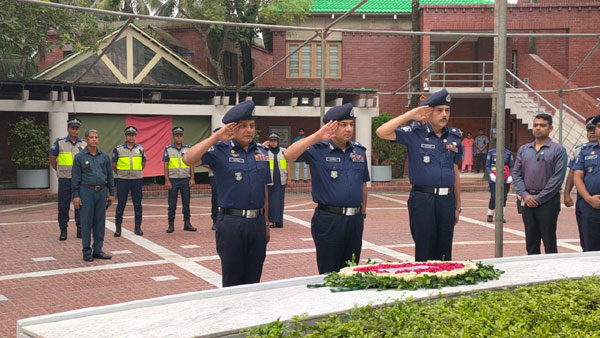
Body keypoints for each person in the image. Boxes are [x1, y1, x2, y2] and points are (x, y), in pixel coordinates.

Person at [182, 100, 271, 287]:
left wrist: (266, 223)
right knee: (232, 279)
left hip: (257, 223)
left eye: (252, 126)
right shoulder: (220, 150)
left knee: (254, 279)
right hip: (232, 223)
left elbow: (264, 188)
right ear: (232, 129)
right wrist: (216, 137)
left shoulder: (262, 152)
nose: (249, 130)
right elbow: (188, 159)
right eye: (243, 126)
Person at [376, 88, 462, 262]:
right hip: (423, 199)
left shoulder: (455, 136)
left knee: (445, 250)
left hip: (447, 200)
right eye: (439, 111)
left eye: (447, 110)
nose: (444, 114)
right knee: (425, 249)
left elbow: (455, 171)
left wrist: (457, 205)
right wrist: (411, 114)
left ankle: (443, 285)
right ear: (428, 113)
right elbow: (381, 132)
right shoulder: (415, 133)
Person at [285, 103, 369, 274]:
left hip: (354, 220)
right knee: (329, 272)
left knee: (351, 271)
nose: (349, 129)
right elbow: (289, 155)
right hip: (329, 219)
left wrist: (362, 214)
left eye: (351, 124)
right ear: (331, 127)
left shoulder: (358, 151)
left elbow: (363, 183)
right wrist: (317, 136)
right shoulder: (318, 150)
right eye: (343, 125)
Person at [512, 113, 567, 255]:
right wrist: (525, 195)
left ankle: (552, 273)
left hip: (548, 202)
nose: (538, 128)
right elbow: (516, 174)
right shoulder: (524, 150)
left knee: (549, 240)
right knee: (531, 241)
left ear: (550, 128)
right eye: (535, 125)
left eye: (542, 125)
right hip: (527, 201)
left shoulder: (558, 150)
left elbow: (557, 178)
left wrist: (539, 198)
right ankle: (533, 271)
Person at [71, 129, 115, 262]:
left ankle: (98, 250)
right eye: (91, 137)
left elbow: (110, 176)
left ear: (99, 139)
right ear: (86, 139)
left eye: (96, 137)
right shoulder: (80, 157)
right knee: (86, 222)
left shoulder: (104, 156)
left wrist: (111, 193)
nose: (94, 140)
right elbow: (75, 178)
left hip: (101, 192)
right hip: (86, 191)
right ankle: (86, 251)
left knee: (100, 222)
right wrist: (76, 195)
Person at [49, 117, 86, 241]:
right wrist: (59, 170)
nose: (74, 131)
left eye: (77, 128)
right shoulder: (59, 143)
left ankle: (80, 229)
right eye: (72, 128)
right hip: (65, 179)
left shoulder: (84, 144)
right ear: (68, 129)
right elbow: (52, 159)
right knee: (63, 206)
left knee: (79, 205)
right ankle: (63, 229)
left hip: (80, 180)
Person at [564, 116, 596, 251]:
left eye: (595, 129)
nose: (593, 132)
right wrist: (566, 194)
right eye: (589, 130)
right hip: (585, 201)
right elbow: (572, 174)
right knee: (586, 237)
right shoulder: (580, 149)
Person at [573, 114, 600, 252]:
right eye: (599, 126)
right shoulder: (585, 151)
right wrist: (589, 199)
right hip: (590, 206)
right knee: (590, 248)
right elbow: (577, 177)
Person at [112, 126, 146, 237]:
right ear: (126, 136)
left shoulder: (140, 148)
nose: (131, 137)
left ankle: (138, 228)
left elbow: (143, 163)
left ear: (135, 136)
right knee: (121, 204)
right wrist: (121, 173)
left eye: (133, 135)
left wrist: (136, 172)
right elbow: (114, 165)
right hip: (123, 180)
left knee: (138, 205)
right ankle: (118, 229)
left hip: (137, 180)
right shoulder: (118, 149)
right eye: (129, 135)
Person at [163, 126, 196, 233]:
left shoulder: (188, 148)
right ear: (173, 137)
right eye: (177, 136)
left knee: (186, 203)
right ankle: (171, 225)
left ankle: (187, 223)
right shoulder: (168, 149)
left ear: (183, 137)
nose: (179, 138)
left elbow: (191, 164)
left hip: (185, 179)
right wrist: (167, 180)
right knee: (172, 204)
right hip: (173, 180)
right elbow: (165, 165)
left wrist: (192, 178)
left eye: (180, 136)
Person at [485, 146, 515, 222]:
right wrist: (490, 174)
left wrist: (511, 176)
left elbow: (511, 166)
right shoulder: (491, 152)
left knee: (504, 196)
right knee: (494, 196)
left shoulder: (508, 153)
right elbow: (487, 166)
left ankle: (501, 216)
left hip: (505, 177)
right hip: (494, 177)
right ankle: (490, 214)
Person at [265, 133, 287, 228]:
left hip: (280, 179)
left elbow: (286, 164)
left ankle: (278, 221)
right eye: (271, 141)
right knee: (269, 201)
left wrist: (289, 178)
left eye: (275, 141)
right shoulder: (265, 151)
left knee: (279, 201)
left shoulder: (283, 151)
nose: (273, 143)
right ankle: (270, 220)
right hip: (269, 179)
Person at [207, 127, 221, 231]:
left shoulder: (228, 147)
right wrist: (215, 166)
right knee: (215, 198)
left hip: (227, 177)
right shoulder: (211, 148)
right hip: (214, 176)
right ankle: (215, 220)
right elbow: (204, 162)